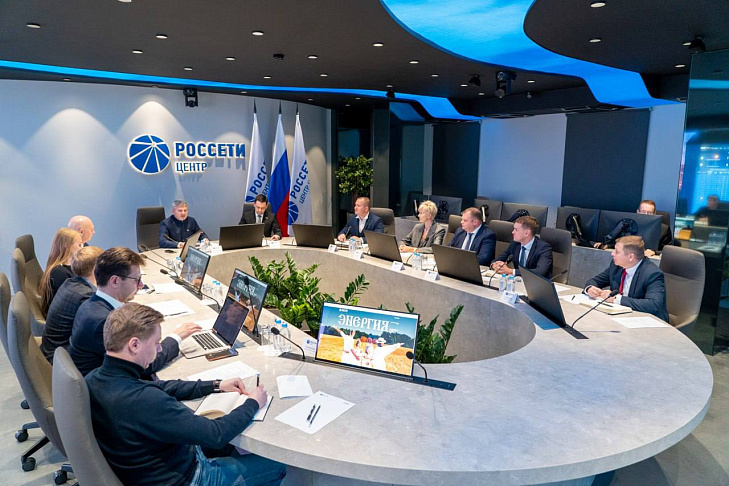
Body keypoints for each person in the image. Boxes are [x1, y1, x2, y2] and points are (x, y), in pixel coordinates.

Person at [85, 303, 286, 486]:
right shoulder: (144, 400)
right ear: (134, 345)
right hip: (188, 478)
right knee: (276, 466)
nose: (160, 349)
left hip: (145, 468)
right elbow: (215, 434)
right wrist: (253, 402)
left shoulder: (94, 378)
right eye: (156, 343)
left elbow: (161, 386)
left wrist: (216, 385)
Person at [69, 247, 200, 376]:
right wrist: (176, 337)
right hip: (110, 387)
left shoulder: (91, 304)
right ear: (115, 281)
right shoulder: (103, 321)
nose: (141, 285)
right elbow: (144, 366)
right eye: (136, 280)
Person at [40, 246, 103, 363]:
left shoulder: (70, 283)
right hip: (60, 358)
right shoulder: (85, 295)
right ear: (96, 269)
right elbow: (94, 334)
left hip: (52, 349)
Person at [584, 235, 668, 321]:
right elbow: (595, 281)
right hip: (620, 317)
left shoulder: (652, 273)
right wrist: (590, 289)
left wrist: (616, 299)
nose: (612, 253)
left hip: (647, 322)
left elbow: (653, 305)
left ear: (631, 257)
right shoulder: (617, 266)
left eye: (617, 252)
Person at [39, 228, 84, 317]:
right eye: (79, 245)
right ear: (66, 245)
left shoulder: (68, 267)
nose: (82, 248)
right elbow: (68, 302)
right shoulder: (60, 273)